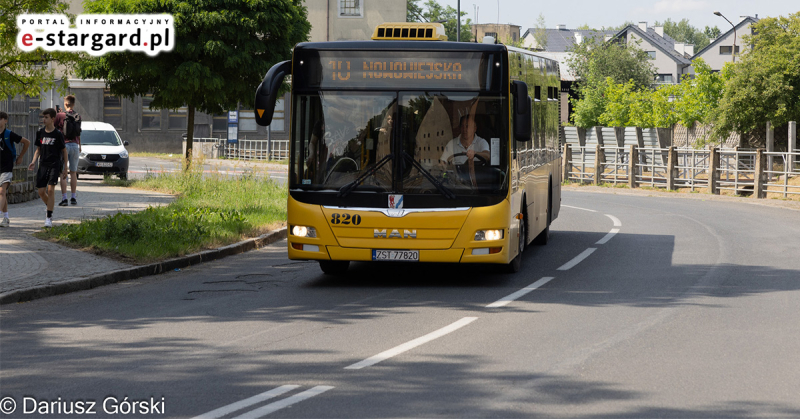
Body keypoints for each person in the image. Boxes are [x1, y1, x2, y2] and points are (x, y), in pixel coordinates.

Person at [28, 108, 68, 228]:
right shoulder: (40, 133)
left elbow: (64, 151)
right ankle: (50, 207)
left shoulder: (58, 134)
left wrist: (66, 167)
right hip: (43, 164)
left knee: (50, 190)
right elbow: (38, 150)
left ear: (52, 119)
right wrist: (33, 161)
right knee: (41, 192)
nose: (43, 119)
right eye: (43, 117)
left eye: (46, 117)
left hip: (54, 164)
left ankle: (48, 217)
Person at [0, 112, 31, 227]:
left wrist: (21, 156)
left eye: (0, 119)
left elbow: (26, 142)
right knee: (1, 194)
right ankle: (6, 217)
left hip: (7, 166)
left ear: (5, 121)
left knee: (2, 191)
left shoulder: (9, 134)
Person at [54, 95, 81, 206]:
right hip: (75, 145)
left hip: (64, 146)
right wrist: (79, 145)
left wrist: (57, 114)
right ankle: (73, 198)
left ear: (65, 104)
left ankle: (64, 199)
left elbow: (53, 127)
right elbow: (79, 132)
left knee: (63, 172)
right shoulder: (78, 116)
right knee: (73, 172)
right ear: (73, 104)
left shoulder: (60, 116)